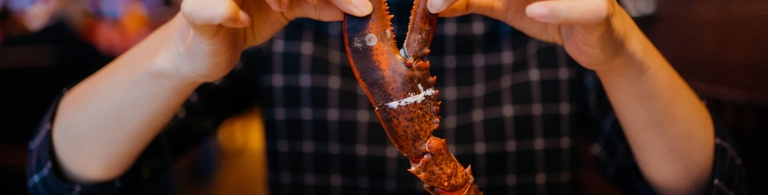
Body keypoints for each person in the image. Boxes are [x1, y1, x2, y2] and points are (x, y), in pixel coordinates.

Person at [26, 0, 746, 194]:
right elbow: (57, 175)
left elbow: (707, 183)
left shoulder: (559, 16)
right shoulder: (283, 22)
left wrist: (615, 47)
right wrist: (181, 55)